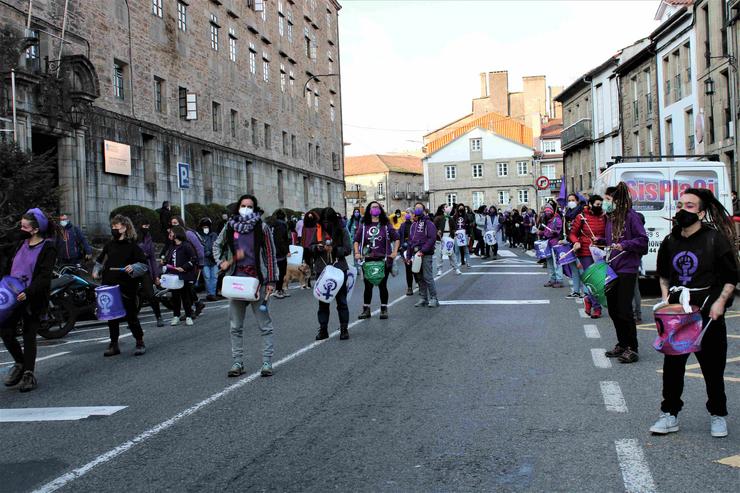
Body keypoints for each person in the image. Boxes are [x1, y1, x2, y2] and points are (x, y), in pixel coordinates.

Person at [650, 188, 738, 438]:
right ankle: (670, 414)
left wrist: (720, 303)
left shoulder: (715, 239)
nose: (681, 209)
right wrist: (666, 301)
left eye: (689, 205)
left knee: (712, 368)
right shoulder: (670, 240)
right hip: (679, 314)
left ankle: (718, 415)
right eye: (680, 204)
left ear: (701, 212)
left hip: (707, 312)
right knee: (673, 368)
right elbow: (665, 275)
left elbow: (731, 277)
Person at [213, 194, 278, 378]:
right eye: (243, 205)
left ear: (255, 208)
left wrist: (271, 280)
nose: (246, 209)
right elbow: (216, 246)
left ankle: (267, 362)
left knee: (265, 325)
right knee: (235, 326)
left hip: (258, 283)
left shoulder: (262, 228)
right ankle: (237, 362)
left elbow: (270, 255)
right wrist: (222, 262)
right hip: (236, 281)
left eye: (250, 206)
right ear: (238, 207)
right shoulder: (230, 226)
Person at [1, 209, 57, 392]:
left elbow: (44, 276)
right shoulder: (19, 244)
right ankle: (20, 362)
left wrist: (29, 292)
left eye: (24, 226)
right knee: (5, 330)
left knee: (28, 333)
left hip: (32, 297)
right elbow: (8, 267)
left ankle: (28, 374)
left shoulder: (48, 247)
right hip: (11, 296)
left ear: (34, 230)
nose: (21, 228)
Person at [603, 183, 648, 364]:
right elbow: (611, 241)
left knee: (624, 309)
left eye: (608, 200)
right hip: (612, 268)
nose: (605, 203)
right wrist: (598, 241)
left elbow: (643, 241)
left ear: (618, 200)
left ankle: (632, 348)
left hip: (627, 269)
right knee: (613, 309)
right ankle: (622, 343)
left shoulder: (632, 217)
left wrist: (625, 245)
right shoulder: (610, 218)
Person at [95, 215, 147, 357]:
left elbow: (143, 264)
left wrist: (133, 267)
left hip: (126, 286)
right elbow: (99, 261)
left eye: (116, 226)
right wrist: (96, 271)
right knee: (111, 317)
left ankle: (139, 341)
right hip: (109, 285)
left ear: (124, 228)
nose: (114, 229)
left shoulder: (133, 246)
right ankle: (114, 344)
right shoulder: (109, 245)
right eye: (112, 227)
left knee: (131, 315)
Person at [311, 207, 353, 340]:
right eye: (324, 220)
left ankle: (344, 329)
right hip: (322, 269)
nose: (326, 223)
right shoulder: (317, 230)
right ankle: (323, 329)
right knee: (323, 302)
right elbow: (309, 247)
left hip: (338, 269)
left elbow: (347, 249)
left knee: (341, 301)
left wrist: (334, 250)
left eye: (328, 221)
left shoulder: (342, 230)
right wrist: (317, 248)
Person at [353, 201, 400, 320]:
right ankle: (366, 309)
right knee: (367, 286)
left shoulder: (386, 224)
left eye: (377, 207)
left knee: (382, 285)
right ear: (369, 210)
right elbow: (356, 240)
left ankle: (384, 309)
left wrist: (394, 252)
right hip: (367, 259)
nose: (375, 209)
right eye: (373, 207)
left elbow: (396, 238)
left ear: (380, 210)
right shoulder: (364, 225)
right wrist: (357, 253)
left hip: (383, 260)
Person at [569, 194, 607, 318]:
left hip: (600, 251)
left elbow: (608, 234)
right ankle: (597, 308)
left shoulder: (605, 217)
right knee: (593, 280)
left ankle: (589, 300)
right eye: (597, 204)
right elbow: (572, 234)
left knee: (601, 281)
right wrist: (576, 242)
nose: (599, 207)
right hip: (585, 252)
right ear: (590, 204)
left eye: (601, 205)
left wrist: (601, 239)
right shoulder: (581, 217)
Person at [167, 216, 205, 317]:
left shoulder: (188, 233)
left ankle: (192, 308)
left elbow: (199, 248)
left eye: (175, 223)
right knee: (186, 287)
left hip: (192, 263)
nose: (174, 225)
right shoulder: (174, 236)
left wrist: (201, 263)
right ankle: (195, 305)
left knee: (188, 286)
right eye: (172, 223)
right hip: (180, 265)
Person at [164, 226, 198, 326]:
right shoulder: (172, 246)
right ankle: (176, 315)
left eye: (172, 232)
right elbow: (169, 259)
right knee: (175, 297)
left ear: (177, 233)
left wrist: (184, 267)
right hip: (174, 276)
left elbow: (193, 259)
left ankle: (188, 316)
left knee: (185, 296)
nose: (170, 234)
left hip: (184, 275)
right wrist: (165, 263)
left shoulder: (186, 246)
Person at [407, 203, 439, 307]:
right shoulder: (413, 225)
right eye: (416, 208)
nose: (417, 210)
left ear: (424, 210)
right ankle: (423, 298)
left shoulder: (428, 223)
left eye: (419, 208)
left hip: (425, 254)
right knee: (419, 277)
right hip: (416, 254)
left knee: (427, 277)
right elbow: (410, 242)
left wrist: (423, 250)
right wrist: (408, 256)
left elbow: (432, 238)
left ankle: (434, 298)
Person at [137, 219, 164, 327]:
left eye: (148, 225)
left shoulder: (148, 237)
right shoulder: (134, 237)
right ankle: (133, 320)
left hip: (145, 268)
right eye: (144, 225)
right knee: (133, 295)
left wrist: (156, 275)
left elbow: (152, 258)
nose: (146, 228)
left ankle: (158, 316)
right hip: (134, 268)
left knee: (150, 294)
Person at [539, 204, 564, 288]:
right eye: (546, 211)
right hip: (548, 243)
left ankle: (559, 280)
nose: (547, 213)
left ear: (552, 211)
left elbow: (559, 230)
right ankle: (552, 279)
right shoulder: (547, 220)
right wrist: (541, 233)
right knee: (549, 262)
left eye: (549, 211)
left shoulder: (557, 219)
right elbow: (546, 232)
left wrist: (555, 232)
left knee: (557, 262)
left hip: (555, 243)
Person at [433, 204, 461, 275]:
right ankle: (439, 269)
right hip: (440, 239)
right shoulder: (438, 218)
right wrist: (437, 231)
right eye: (446, 207)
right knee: (439, 255)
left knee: (451, 254)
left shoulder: (450, 218)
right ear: (443, 209)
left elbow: (454, 227)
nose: (448, 208)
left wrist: (454, 232)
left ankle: (456, 268)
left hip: (448, 237)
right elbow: (433, 227)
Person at [196, 217, 219, 301]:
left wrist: (214, 254)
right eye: (204, 227)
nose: (205, 228)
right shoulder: (199, 236)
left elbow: (217, 245)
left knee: (215, 277)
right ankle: (210, 294)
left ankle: (212, 294)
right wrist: (206, 253)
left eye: (207, 226)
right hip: (204, 260)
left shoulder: (214, 235)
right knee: (207, 277)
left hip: (214, 260)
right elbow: (199, 247)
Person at [271, 209, 291, 299]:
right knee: (281, 272)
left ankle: (280, 289)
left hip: (274, 251)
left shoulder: (273, 225)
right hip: (280, 252)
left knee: (279, 272)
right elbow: (281, 240)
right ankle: (278, 290)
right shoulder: (281, 225)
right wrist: (286, 251)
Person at [397, 209, 415, 295]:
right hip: (405, 249)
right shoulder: (402, 225)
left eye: (409, 213)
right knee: (408, 269)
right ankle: (409, 287)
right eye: (406, 213)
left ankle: (419, 282)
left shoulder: (415, 224)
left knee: (416, 268)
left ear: (413, 215)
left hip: (415, 249)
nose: (407, 214)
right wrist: (400, 249)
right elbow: (399, 237)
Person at [300, 210, 321, 286]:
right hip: (307, 247)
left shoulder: (317, 226)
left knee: (316, 263)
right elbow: (303, 237)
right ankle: (308, 281)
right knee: (309, 265)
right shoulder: (305, 226)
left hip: (314, 246)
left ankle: (316, 279)